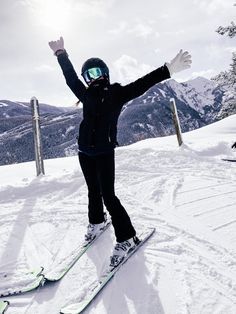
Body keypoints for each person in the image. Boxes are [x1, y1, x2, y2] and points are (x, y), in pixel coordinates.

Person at [48, 37, 192, 267]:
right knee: (93, 191)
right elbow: (70, 78)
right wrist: (61, 54)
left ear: (105, 73)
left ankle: (127, 237)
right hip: (84, 151)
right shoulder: (84, 94)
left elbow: (143, 83)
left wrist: (168, 70)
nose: (93, 77)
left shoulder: (117, 93)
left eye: (97, 72)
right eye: (89, 74)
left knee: (109, 196)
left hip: (104, 153)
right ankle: (96, 221)